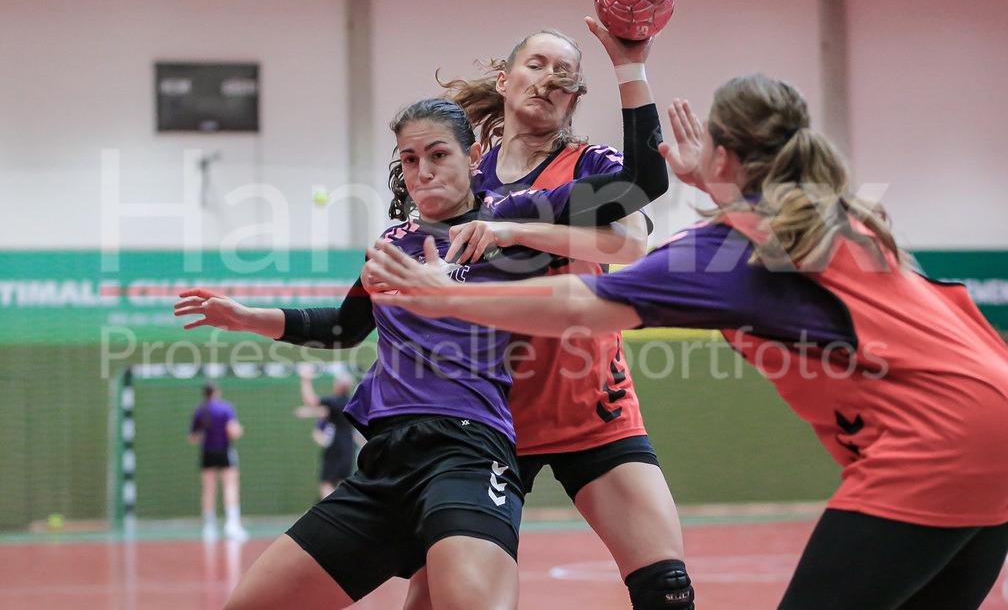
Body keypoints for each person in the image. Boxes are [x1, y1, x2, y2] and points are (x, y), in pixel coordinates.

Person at [367, 72, 1008, 609]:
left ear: (722, 152)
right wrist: (714, 184)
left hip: (939, 441)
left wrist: (442, 294)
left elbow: (577, 304)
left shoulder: (731, 249)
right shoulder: (837, 219)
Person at [172, 34, 670, 608]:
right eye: (411, 159)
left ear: (471, 160)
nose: (424, 170)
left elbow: (638, 194)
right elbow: (344, 326)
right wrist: (248, 317)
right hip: (386, 461)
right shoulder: (392, 243)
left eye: (439, 155)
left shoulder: (504, 224)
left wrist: (630, 68)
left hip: (468, 451)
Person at [393, 23, 692, 610]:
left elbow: (630, 246)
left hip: (592, 410)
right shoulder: (464, 178)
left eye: (564, 73)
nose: (549, 79)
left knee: (668, 589)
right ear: (505, 81)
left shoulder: (591, 166)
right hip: (489, 422)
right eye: (536, 64)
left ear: (575, 96)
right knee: (433, 602)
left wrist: (513, 231)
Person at [188, 381, 249, 543]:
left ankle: (209, 526)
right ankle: (232, 524)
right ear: (217, 392)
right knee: (230, 485)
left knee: (208, 488)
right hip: (224, 451)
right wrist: (238, 430)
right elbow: (233, 431)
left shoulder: (200, 410)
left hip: (207, 452)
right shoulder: (226, 408)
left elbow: (193, 437)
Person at [295, 363, 358, 498]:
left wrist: (305, 379)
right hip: (349, 447)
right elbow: (324, 411)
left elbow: (311, 401)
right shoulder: (351, 402)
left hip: (335, 445)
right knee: (342, 482)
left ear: (339, 386)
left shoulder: (334, 401)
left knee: (325, 483)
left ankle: (331, 514)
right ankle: (343, 514)